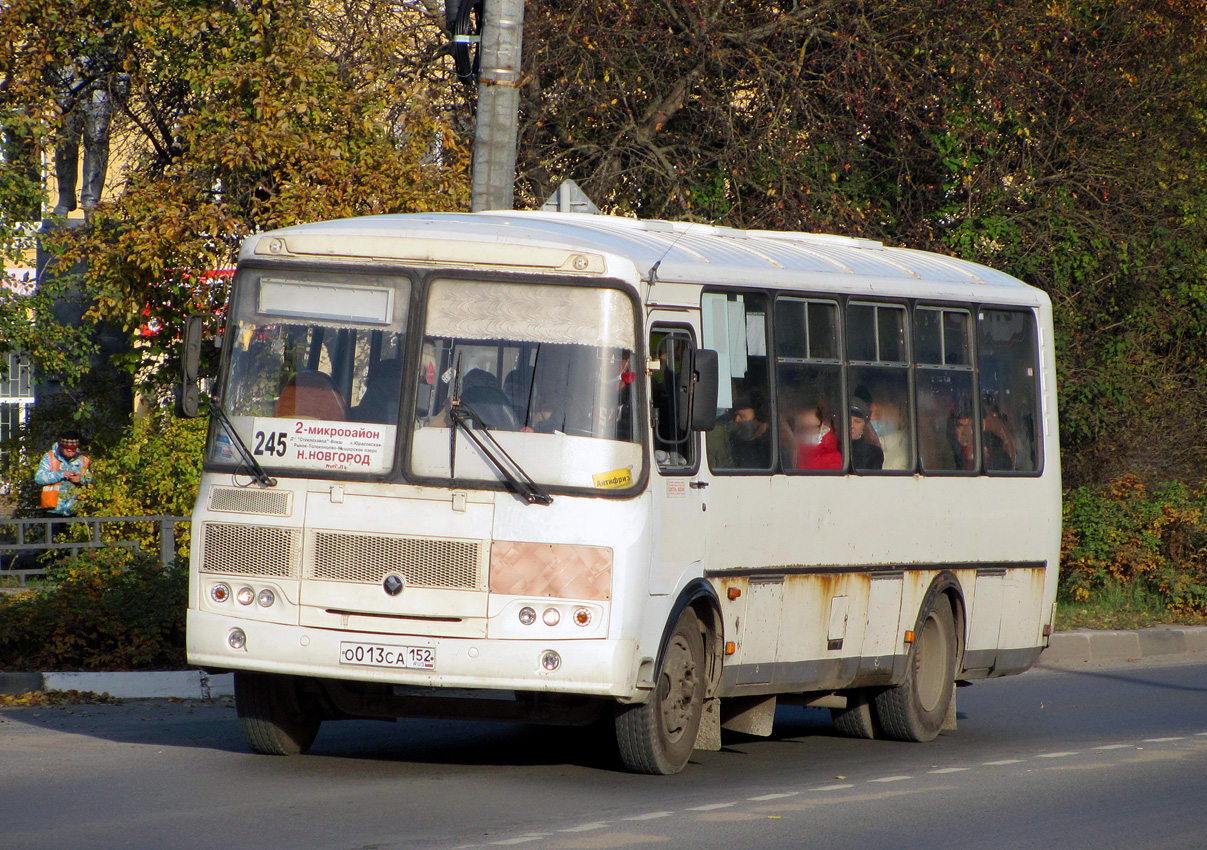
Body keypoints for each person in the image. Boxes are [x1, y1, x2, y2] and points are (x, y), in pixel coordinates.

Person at [35, 431, 92, 517]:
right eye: (67, 450)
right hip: (53, 509)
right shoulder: (50, 457)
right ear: (61, 447)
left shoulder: (83, 460)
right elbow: (39, 478)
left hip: (75, 510)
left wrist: (81, 479)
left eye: (73, 450)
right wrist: (61, 475)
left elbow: (91, 480)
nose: (70, 452)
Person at [795, 401, 842, 471]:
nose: (808, 432)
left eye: (813, 428)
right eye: (804, 428)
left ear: (822, 428)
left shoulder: (834, 459)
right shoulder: (793, 454)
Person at [849, 399, 884, 471]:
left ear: (863, 426)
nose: (851, 425)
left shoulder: (874, 453)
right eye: (847, 420)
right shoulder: (832, 449)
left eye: (857, 421)